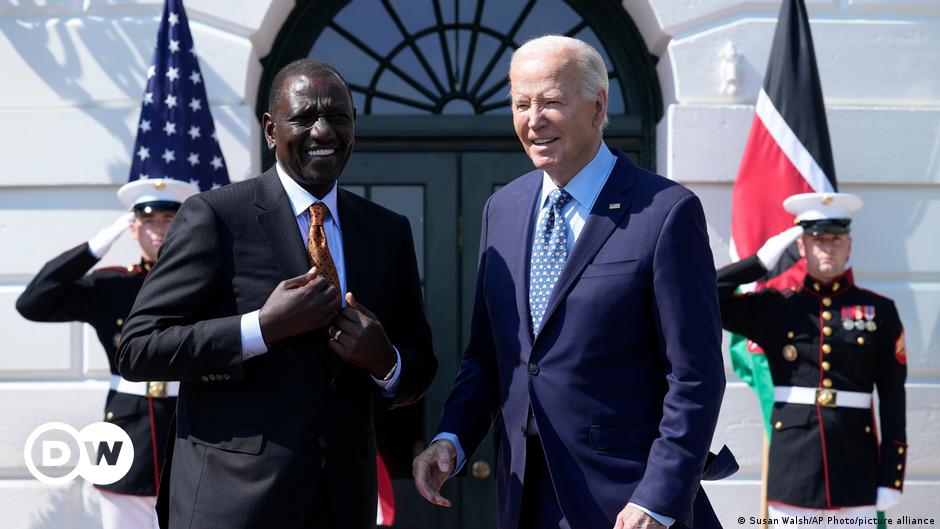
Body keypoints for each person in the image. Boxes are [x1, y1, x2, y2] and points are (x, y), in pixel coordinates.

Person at [413, 35, 734, 529]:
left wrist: (658, 498)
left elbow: (694, 377)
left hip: (629, 501)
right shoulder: (503, 209)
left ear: (599, 106)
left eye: (551, 102)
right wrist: (451, 438)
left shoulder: (666, 212)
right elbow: (489, 357)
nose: (533, 119)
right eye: (521, 104)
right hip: (524, 496)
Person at [116, 59, 437, 529]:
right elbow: (140, 348)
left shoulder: (387, 231)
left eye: (338, 117)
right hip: (233, 503)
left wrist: (384, 361)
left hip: (344, 503)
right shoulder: (216, 217)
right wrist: (262, 328)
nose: (323, 131)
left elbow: (420, 366)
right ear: (270, 130)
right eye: (304, 118)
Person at [16, 177, 198, 529]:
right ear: (133, 228)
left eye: (168, 221)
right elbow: (32, 303)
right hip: (127, 428)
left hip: (190, 424)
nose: (158, 231)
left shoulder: (204, 281)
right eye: (148, 222)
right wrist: (96, 246)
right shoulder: (110, 284)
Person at [716, 192, 906, 529]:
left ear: (849, 246)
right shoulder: (776, 307)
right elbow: (707, 295)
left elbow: (893, 398)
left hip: (856, 468)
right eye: (817, 240)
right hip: (794, 469)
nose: (828, 248)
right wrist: (759, 262)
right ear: (802, 248)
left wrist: (892, 474)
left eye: (836, 239)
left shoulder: (880, 311)